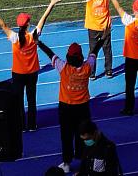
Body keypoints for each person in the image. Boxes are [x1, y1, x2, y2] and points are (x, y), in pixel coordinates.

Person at [0, 0, 61, 131]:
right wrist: (52, 3)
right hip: (32, 73)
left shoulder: (14, 38)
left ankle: (21, 125)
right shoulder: (33, 35)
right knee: (31, 100)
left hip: (18, 74)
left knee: (18, 100)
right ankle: (32, 125)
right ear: (28, 24)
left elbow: (3, 25)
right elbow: (43, 19)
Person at [36, 35, 97, 174]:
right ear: (81, 56)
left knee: (66, 135)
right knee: (83, 133)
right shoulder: (88, 67)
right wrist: (102, 39)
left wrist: (39, 42)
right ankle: (83, 160)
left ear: (68, 56)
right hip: (83, 107)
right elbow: (94, 52)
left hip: (66, 108)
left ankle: (67, 162)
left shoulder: (63, 67)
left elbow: (50, 53)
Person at [73, 0, 116, 78]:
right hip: (105, 28)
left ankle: (92, 73)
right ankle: (108, 71)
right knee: (107, 50)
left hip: (92, 28)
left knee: (93, 51)